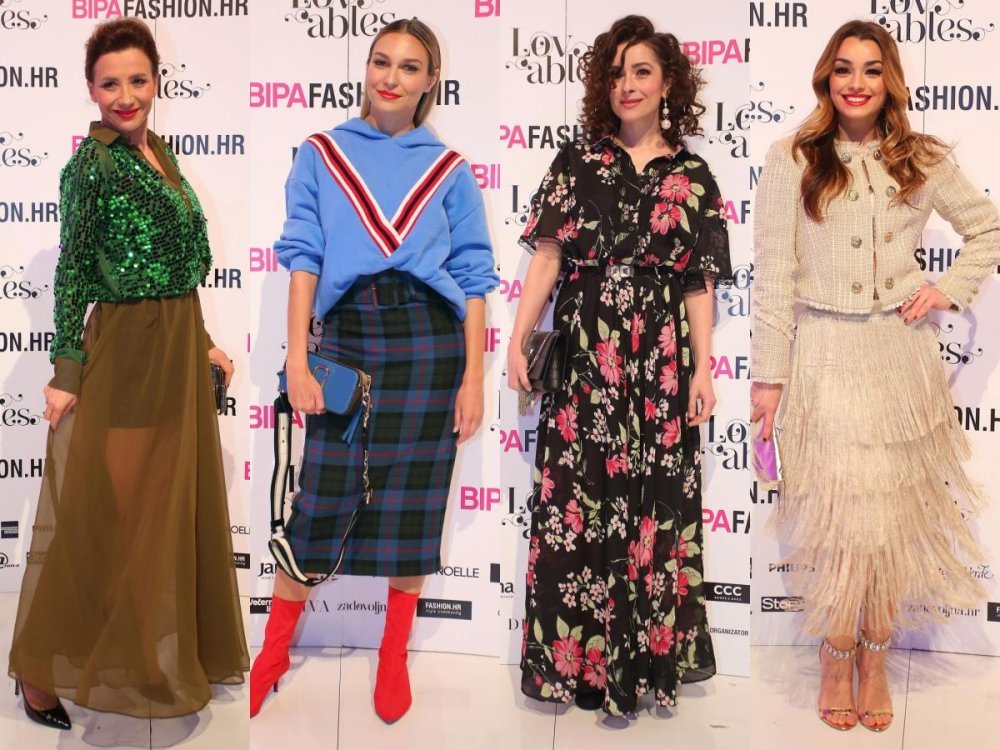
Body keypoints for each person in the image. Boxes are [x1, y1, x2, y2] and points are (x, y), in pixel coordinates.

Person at [751, 19, 999, 733]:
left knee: (887, 522)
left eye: (870, 69)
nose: (856, 83)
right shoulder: (791, 158)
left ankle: (878, 656)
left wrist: (947, 289)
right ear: (826, 78)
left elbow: (988, 229)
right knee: (840, 521)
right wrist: (768, 380)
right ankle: (836, 653)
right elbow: (774, 275)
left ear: (889, 79)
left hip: (899, 355)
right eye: (843, 69)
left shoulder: (921, 159)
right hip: (824, 354)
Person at [249, 18, 498, 724]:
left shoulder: (450, 168)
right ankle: (272, 650)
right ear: (365, 68)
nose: (391, 77)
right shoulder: (322, 153)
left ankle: (393, 656)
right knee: (318, 503)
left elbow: (473, 276)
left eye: (409, 67)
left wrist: (472, 377)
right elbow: (303, 257)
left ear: (430, 81)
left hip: (428, 346)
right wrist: (297, 357)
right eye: (381, 61)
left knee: (416, 508)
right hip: (350, 338)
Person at [7, 18, 249, 728]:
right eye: (110, 83)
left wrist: (203, 341)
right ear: (90, 89)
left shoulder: (158, 154)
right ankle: (39, 674)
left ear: (157, 83)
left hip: (175, 347)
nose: (125, 96)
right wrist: (66, 370)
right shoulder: (93, 166)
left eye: (137, 80)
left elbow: (173, 265)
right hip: (129, 353)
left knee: (160, 517)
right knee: (108, 520)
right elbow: (74, 271)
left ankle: (150, 652)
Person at [508, 15, 731, 716]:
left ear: (668, 84)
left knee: (653, 511)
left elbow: (697, 282)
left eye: (641, 71)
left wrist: (702, 368)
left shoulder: (693, 176)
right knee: (578, 507)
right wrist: (518, 338)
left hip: (660, 364)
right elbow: (548, 256)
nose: (627, 85)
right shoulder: (577, 162)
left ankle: (644, 667)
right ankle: (581, 667)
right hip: (585, 357)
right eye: (616, 73)